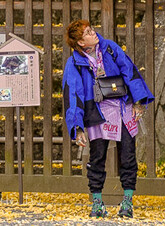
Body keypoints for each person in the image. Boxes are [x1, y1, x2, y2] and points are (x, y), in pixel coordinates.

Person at [63, 20, 154, 219]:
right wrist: (77, 127)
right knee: (97, 158)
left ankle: (128, 201)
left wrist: (138, 101)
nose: (93, 33)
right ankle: (97, 203)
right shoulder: (74, 63)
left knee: (128, 155)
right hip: (97, 112)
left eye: (91, 29)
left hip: (123, 108)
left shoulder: (110, 48)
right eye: (87, 32)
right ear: (80, 42)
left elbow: (129, 70)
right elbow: (73, 95)